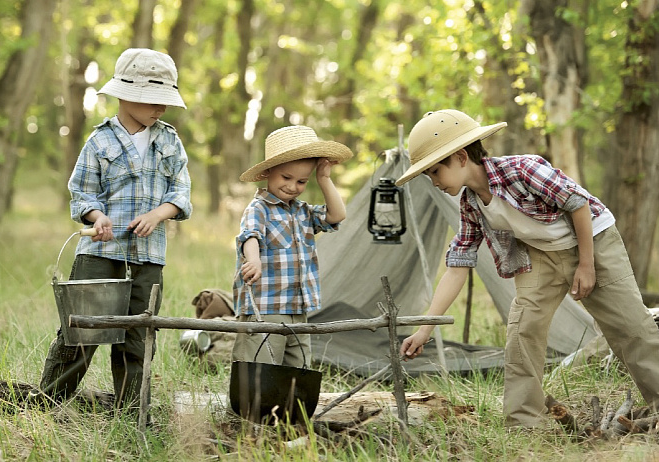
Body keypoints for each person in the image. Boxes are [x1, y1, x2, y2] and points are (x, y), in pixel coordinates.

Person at [397, 109, 659, 429]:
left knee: (630, 326)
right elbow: (457, 267)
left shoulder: (522, 169)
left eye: (436, 171)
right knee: (523, 332)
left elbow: (578, 204)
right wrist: (424, 331)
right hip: (543, 255)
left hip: (594, 241)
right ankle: (525, 421)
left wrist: (587, 265)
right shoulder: (470, 204)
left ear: (462, 157)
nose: (434, 181)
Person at [35, 48, 192, 414]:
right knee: (81, 329)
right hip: (99, 255)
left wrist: (159, 214)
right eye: (153, 100)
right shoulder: (99, 142)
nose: (161, 109)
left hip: (148, 255)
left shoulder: (169, 142)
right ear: (125, 95)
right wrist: (96, 216)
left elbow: (180, 192)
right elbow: (82, 192)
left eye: (165, 101)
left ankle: (131, 412)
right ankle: (50, 403)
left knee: (139, 334)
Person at [232, 125, 352, 367]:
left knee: (298, 366)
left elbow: (337, 215)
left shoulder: (303, 211)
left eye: (301, 181)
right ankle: (248, 406)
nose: (292, 186)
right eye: (286, 178)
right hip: (265, 306)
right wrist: (253, 260)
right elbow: (250, 235)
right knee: (259, 364)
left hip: (298, 306)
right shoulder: (259, 208)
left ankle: (290, 405)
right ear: (268, 172)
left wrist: (324, 179)